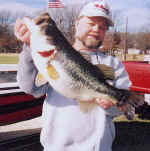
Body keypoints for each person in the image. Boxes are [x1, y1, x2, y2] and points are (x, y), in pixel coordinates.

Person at [14, 1, 131, 151]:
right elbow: (31, 88)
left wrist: (112, 106)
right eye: (91, 23)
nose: (96, 29)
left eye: (102, 27)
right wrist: (29, 47)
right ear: (77, 23)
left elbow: (119, 110)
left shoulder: (113, 65)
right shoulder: (49, 55)